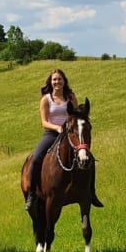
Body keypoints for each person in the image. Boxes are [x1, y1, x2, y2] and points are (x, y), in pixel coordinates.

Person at [24, 68, 103, 211]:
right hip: (52, 133)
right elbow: (44, 122)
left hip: (70, 134)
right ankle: (31, 196)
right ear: (50, 82)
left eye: (59, 79)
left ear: (64, 81)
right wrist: (57, 128)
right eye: (54, 79)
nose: (57, 82)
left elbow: (77, 115)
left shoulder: (71, 96)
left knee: (89, 158)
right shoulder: (46, 99)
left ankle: (91, 193)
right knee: (36, 159)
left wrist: (70, 128)